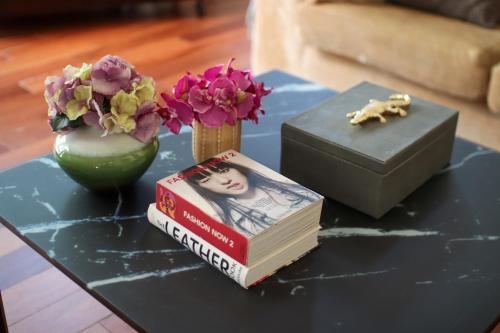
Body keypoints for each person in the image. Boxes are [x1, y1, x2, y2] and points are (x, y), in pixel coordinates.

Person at [182, 158, 320, 237]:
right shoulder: (234, 225)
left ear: (237, 168)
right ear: (203, 188)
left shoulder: (295, 190)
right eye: (206, 180)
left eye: (224, 170)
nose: (224, 180)